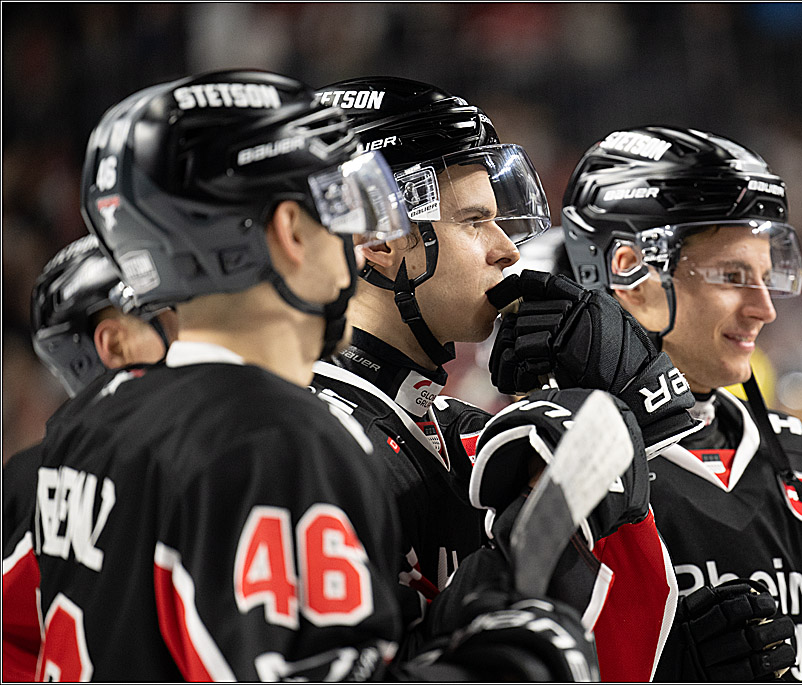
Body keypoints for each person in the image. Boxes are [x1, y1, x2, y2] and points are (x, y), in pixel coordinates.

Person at [2, 69, 597, 682]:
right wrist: (516, 659)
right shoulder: (277, 437)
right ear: (291, 231)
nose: (358, 236)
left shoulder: (86, 420)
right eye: (341, 206)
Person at [310, 77, 791, 682]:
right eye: (475, 221)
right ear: (379, 239)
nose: (508, 250)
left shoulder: (460, 432)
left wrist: (668, 662)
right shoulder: (310, 441)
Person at [541, 125, 802, 680]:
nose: (764, 308)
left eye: (766, 277)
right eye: (732, 275)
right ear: (632, 272)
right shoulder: (553, 461)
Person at [2, 234, 178, 681]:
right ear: (114, 346)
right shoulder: (185, 462)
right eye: (169, 317)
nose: (192, 334)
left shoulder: (28, 476)